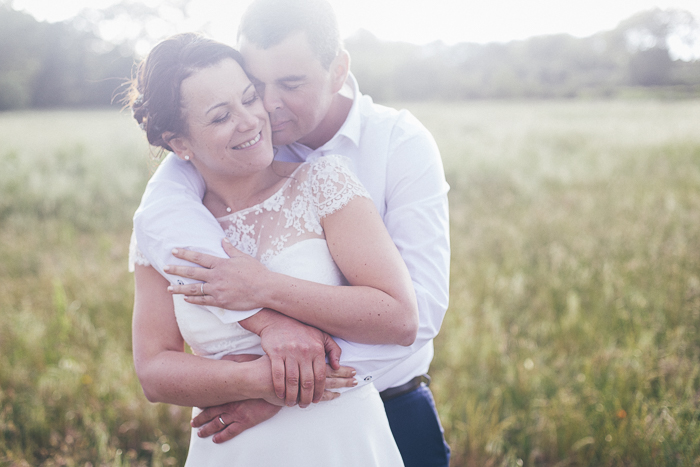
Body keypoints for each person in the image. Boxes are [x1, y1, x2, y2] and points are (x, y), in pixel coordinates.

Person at [133, 0, 451, 465]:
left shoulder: (395, 146)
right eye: (256, 85)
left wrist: (281, 384)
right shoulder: (178, 197)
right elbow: (157, 215)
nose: (266, 107)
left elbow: (414, 314)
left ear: (338, 70)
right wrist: (259, 372)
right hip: (236, 439)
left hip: (384, 403)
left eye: (291, 83)